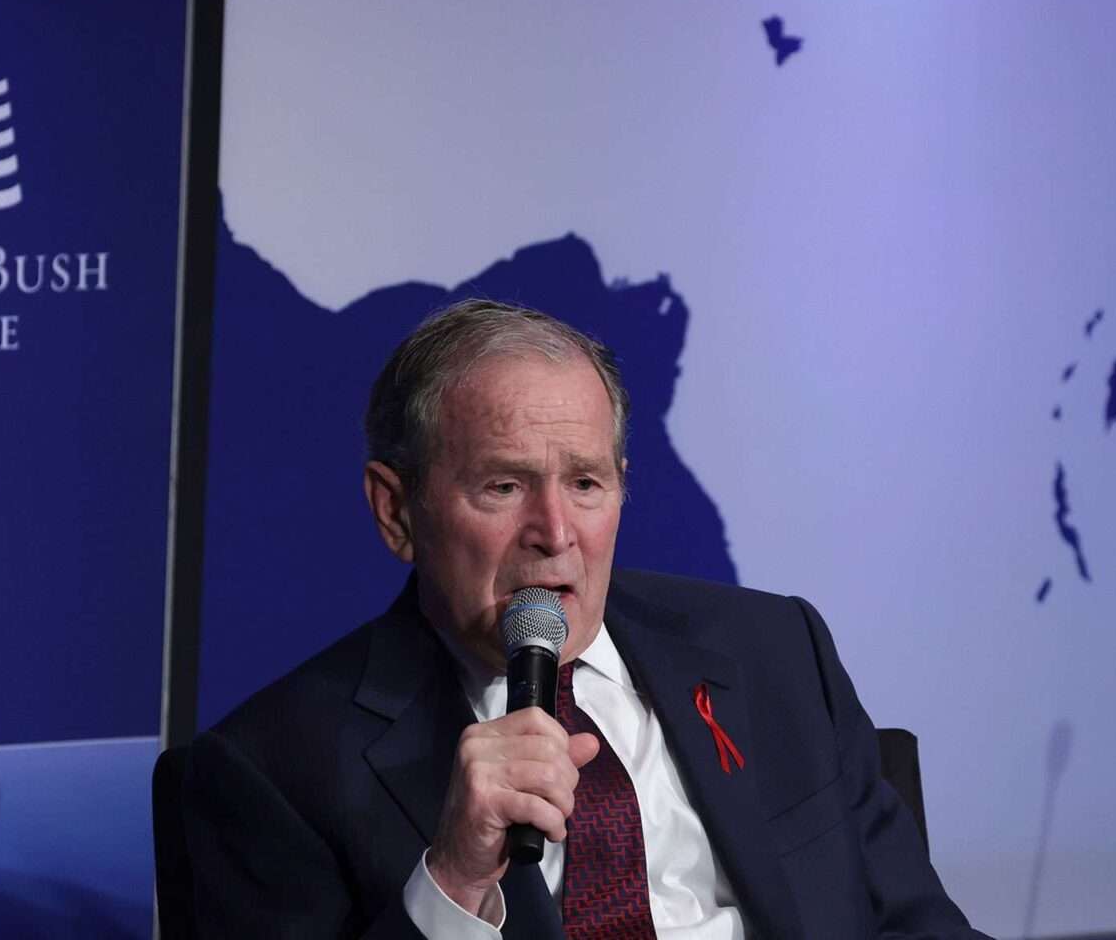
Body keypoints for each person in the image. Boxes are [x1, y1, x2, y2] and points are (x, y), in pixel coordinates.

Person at [183, 299, 988, 937]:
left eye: (586, 484)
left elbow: (913, 926)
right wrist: (455, 881)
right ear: (396, 512)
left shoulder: (775, 652)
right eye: (503, 487)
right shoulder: (269, 772)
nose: (555, 532)